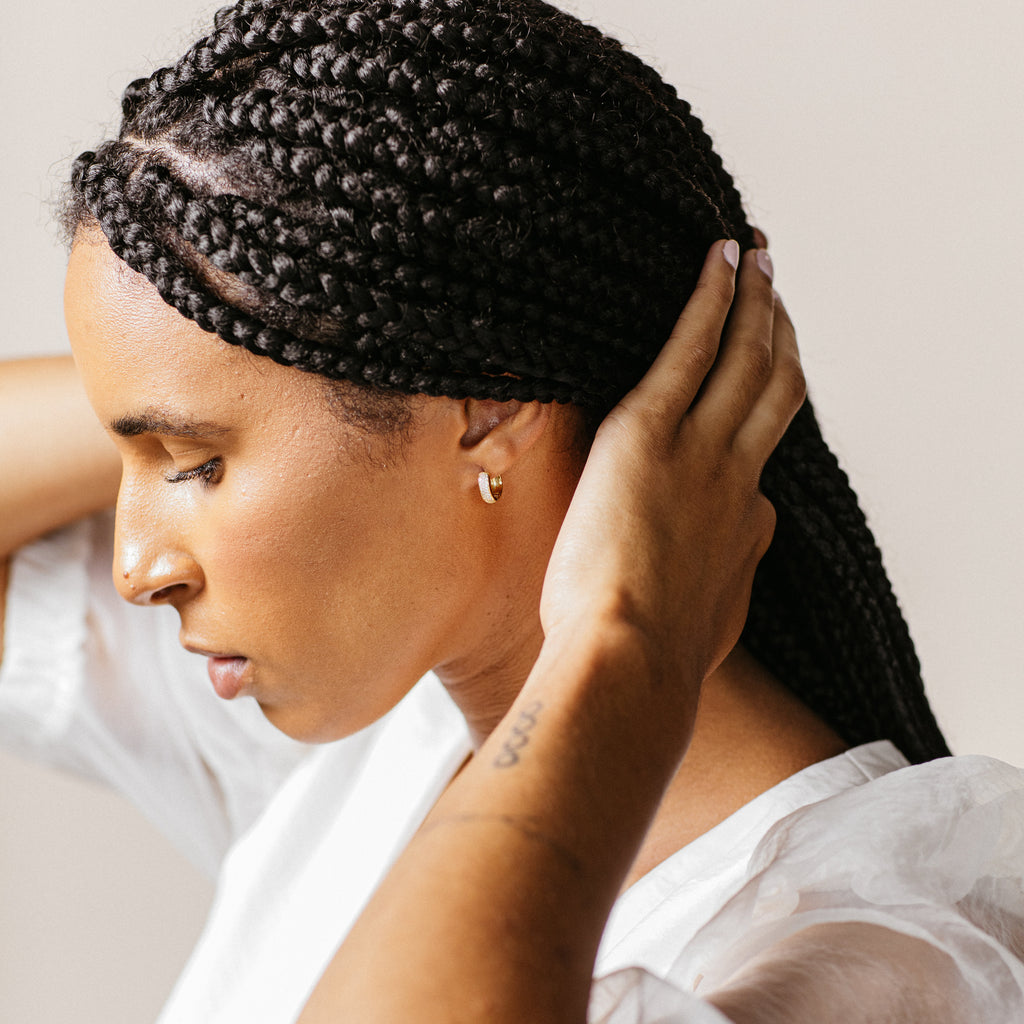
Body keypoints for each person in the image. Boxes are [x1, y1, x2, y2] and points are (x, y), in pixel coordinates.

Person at [1, 1, 1022, 1021]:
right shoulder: (388, 720)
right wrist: (185, 384)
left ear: (487, 406)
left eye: (193, 461)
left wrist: (626, 645)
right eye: (129, 448)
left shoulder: (893, 951)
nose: (140, 567)